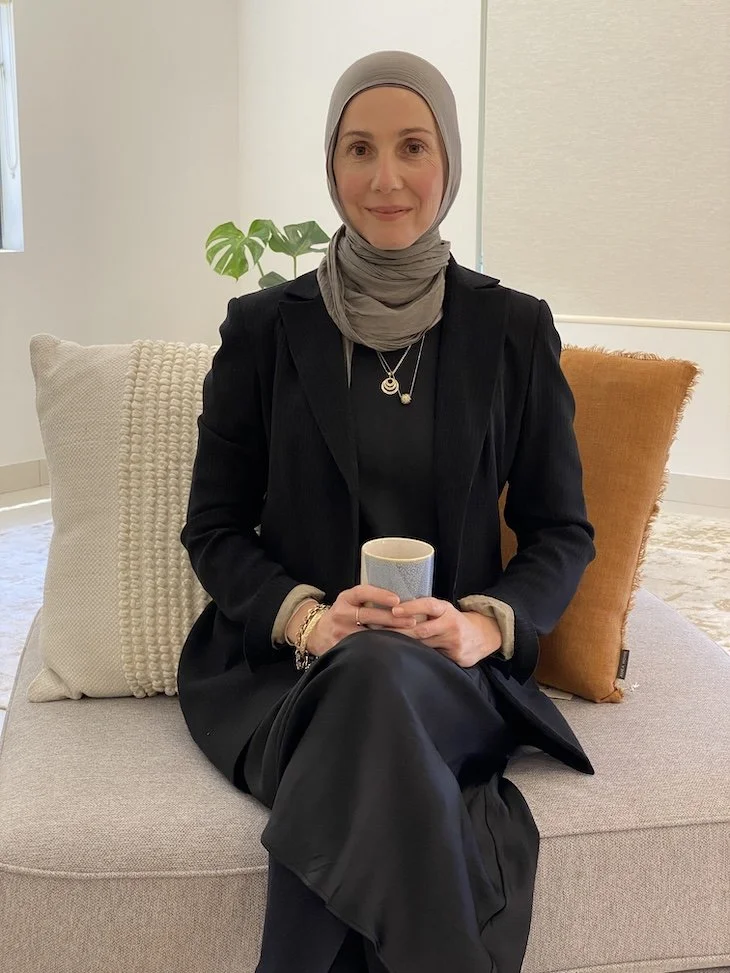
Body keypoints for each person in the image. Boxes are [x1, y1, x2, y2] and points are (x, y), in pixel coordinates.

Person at [176, 50, 596, 973]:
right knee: (364, 675)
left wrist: (487, 625)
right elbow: (212, 527)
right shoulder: (263, 329)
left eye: (413, 146)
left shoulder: (512, 328)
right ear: (331, 166)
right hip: (291, 674)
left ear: (447, 161)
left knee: (377, 684)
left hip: (451, 678)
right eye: (359, 149)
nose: (386, 177)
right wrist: (311, 619)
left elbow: (563, 529)